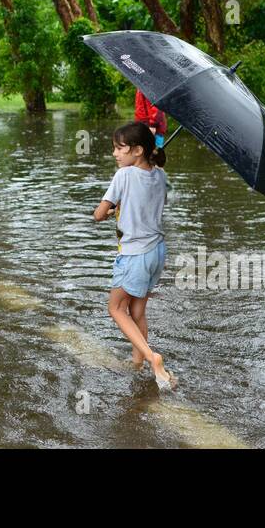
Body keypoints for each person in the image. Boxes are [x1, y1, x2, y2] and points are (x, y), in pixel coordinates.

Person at [93, 121, 176, 390]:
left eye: (120, 148)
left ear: (138, 150)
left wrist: (106, 211)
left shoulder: (124, 176)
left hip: (135, 254)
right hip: (156, 253)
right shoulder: (161, 176)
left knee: (116, 308)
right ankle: (138, 364)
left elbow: (98, 213)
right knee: (137, 309)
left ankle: (152, 357)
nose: (115, 154)